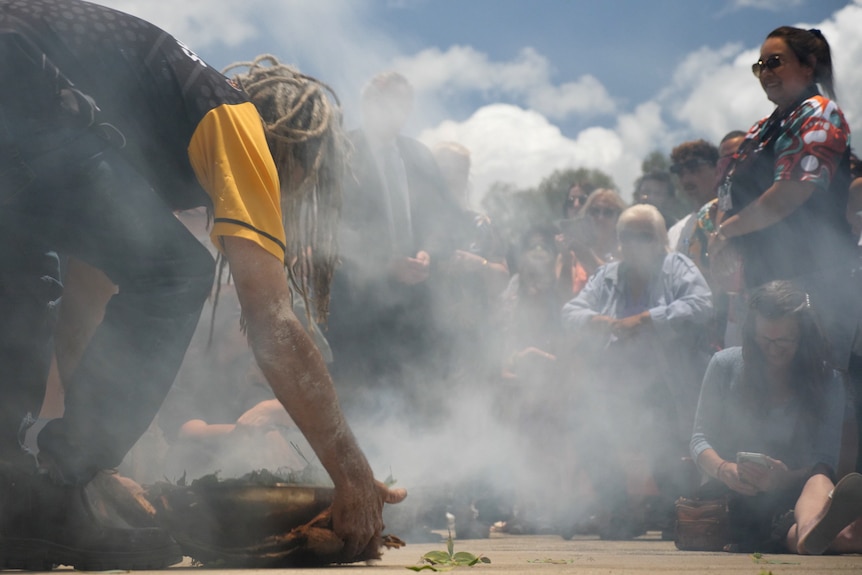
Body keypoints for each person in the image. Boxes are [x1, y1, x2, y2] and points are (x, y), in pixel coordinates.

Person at [0, 1, 403, 570]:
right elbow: (273, 323)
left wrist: (89, 468)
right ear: (296, 156)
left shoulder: (146, 116)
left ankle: (15, 502)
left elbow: (83, 295)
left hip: (18, 95)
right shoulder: (236, 125)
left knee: (27, 278)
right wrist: (353, 475)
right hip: (15, 75)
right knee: (176, 271)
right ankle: (46, 501)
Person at [562, 204, 713, 539]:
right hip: (616, 382)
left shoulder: (676, 266)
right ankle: (616, 511)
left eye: (644, 236)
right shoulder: (607, 274)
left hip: (667, 381)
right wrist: (597, 321)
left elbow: (702, 303)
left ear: (661, 239)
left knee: (666, 442)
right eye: (627, 236)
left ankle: (677, 511)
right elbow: (570, 312)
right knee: (587, 425)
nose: (635, 243)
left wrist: (647, 319)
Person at [710, 26, 855, 370]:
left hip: (816, 281)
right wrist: (721, 237)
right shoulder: (761, 128)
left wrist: (728, 232)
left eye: (775, 62)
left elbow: (791, 191)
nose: (766, 73)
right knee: (765, 403)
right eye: (759, 66)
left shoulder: (819, 111)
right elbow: (729, 192)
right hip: (762, 286)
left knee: (820, 395)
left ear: (808, 67)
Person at [690, 280, 862, 554]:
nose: (773, 349)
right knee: (804, 530)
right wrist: (726, 469)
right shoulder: (724, 365)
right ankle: (840, 535)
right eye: (765, 339)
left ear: (804, 337)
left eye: (784, 340)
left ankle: (816, 531)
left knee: (817, 482)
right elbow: (699, 440)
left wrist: (784, 479)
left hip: (798, 493)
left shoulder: (828, 380)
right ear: (751, 334)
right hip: (737, 495)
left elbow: (824, 462)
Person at [326, 71, 457, 424]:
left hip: (416, 304)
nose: (394, 111)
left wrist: (430, 250)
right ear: (367, 105)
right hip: (357, 305)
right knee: (358, 403)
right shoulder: (340, 152)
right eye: (385, 102)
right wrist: (383, 262)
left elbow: (442, 216)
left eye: (402, 104)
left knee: (414, 399)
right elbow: (329, 224)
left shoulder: (419, 155)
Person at [667, 139, 720, 253]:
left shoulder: (737, 216)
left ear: (717, 169)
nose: (686, 180)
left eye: (694, 168)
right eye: (680, 172)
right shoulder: (675, 232)